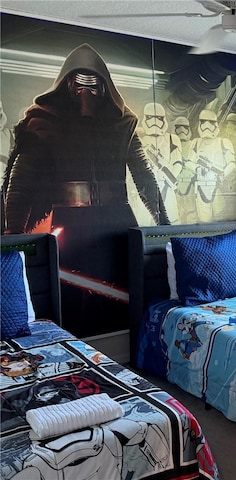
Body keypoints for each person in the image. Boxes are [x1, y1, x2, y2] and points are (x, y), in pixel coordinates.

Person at [2, 43, 169, 336]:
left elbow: (144, 176)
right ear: (66, 84)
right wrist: (13, 238)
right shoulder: (45, 120)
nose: (85, 95)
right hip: (71, 224)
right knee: (72, 300)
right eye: (78, 85)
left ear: (105, 88)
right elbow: (22, 182)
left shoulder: (122, 123)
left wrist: (164, 224)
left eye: (93, 86)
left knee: (123, 292)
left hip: (117, 221)